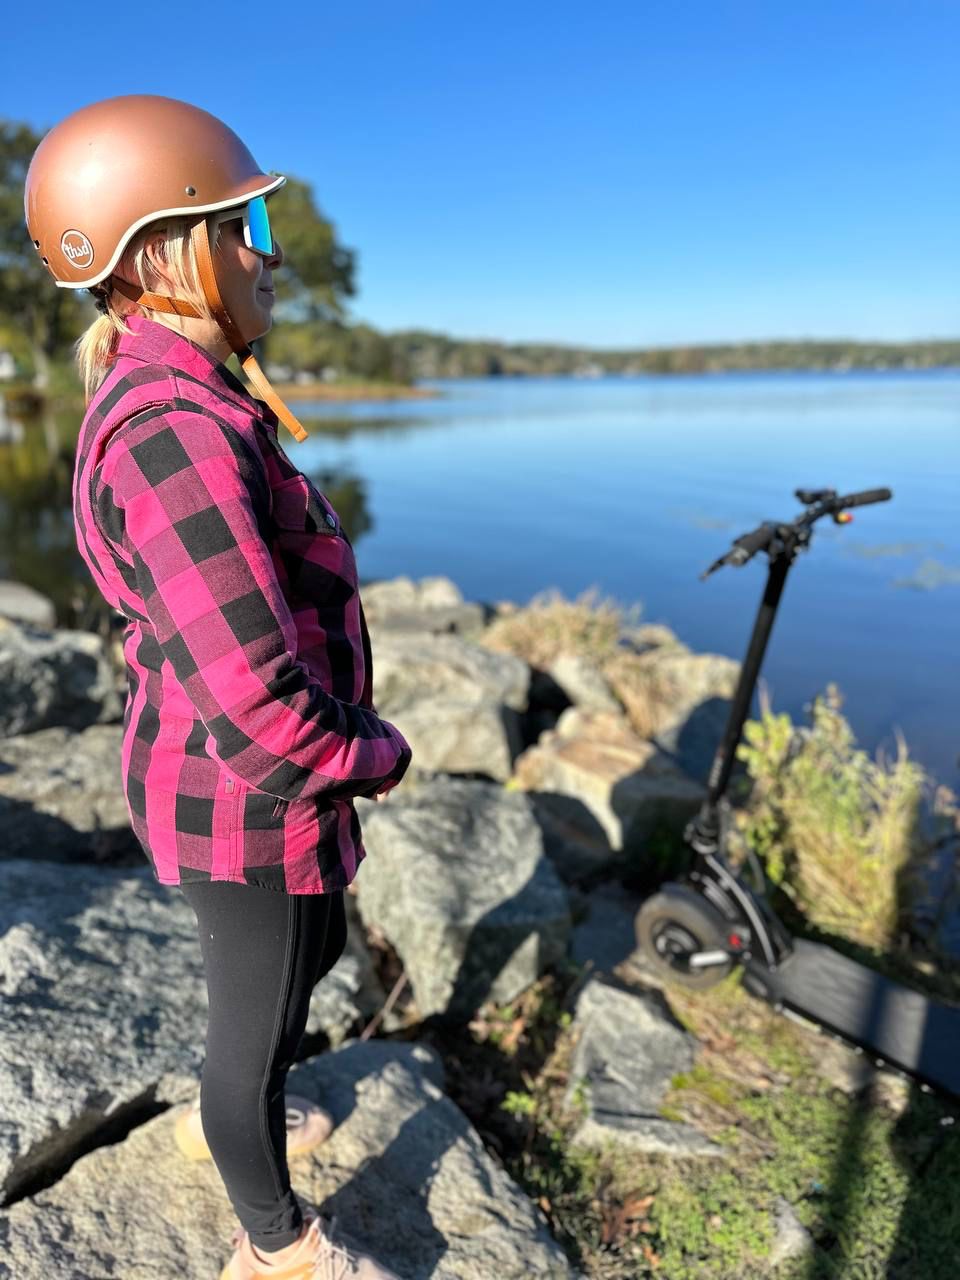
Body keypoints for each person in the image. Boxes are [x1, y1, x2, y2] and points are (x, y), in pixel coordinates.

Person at [24, 93, 412, 1279]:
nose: (269, 254)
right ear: (167, 248)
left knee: (312, 955)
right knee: (253, 1030)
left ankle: (238, 1116)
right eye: (242, 224)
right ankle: (276, 1241)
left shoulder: (194, 396)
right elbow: (254, 702)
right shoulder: (173, 427)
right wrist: (374, 750)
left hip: (233, 784)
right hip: (246, 796)